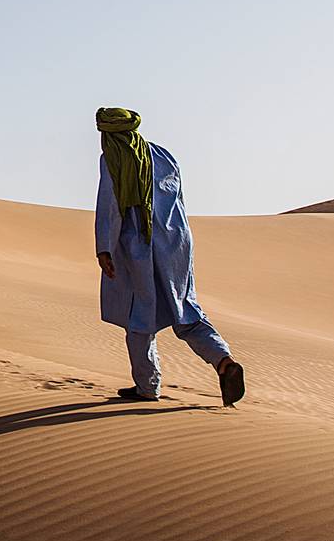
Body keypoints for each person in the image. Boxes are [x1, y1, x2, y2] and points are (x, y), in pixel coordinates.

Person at [94, 107, 246, 406]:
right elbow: (178, 200)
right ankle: (223, 361)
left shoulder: (112, 159)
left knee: (139, 315)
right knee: (185, 310)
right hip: (175, 241)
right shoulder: (163, 155)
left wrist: (105, 249)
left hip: (137, 243)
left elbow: (110, 206)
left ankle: (147, 387)